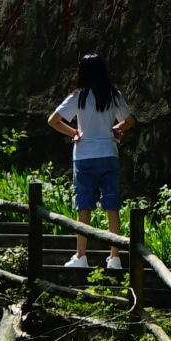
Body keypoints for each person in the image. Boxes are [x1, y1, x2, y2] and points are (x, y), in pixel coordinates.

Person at [48, 51, 135, 270]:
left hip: (85, 156)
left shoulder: (79, 96)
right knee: (111, 206)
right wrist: (115, 128)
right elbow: (130, 121)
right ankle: (115, 257)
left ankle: (81, 256)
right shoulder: (113, 94)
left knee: (84, 206)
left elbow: (53, 120)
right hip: (108, 154)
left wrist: (74, 133)